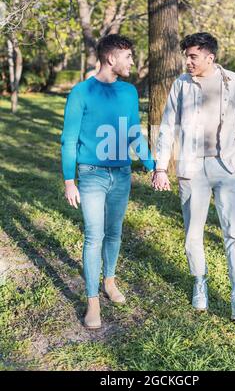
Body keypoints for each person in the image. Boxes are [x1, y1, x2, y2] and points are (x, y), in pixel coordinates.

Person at [152, 32, 235, 321]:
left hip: (225, 168)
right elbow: (167, 129)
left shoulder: (233, 82)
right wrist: (161, 167)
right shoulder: (181, 84)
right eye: (186, 55)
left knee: (233, 232)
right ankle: (200, 284)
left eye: (193, 56)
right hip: (191, 169)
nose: (187, 61)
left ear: (210, 57)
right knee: (192, 233)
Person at [61, 34, 155, 329]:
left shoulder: (128, 93)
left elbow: (133, 134)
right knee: (94, 235)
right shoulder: (81, 92)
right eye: (128, 56)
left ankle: (109, 281)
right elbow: (69, 139)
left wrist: (153, 166)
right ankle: (92, 302)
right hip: (91, 174)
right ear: (111, 58)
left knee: (114, 232)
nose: (132, 62)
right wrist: (69, 181)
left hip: (122, 174)